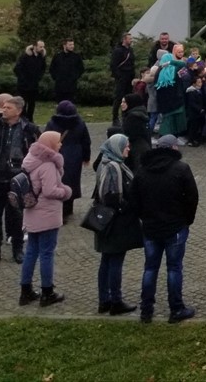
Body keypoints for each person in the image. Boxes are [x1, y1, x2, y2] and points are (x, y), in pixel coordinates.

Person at [127, 135, 198, 324]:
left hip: (150, 228)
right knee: (174, 268)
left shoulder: (142, 171)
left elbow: (134, 200)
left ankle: (146, 310)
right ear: (174, 148)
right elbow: (192, 198)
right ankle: (176, 309)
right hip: (175, 227)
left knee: (150, 268)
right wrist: (186, 221)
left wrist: (144, 218)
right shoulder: (181, 169)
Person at [0, 95, 39, 267]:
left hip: (16, 179)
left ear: (19, 111)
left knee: (16, 217)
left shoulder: (29, 129)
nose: (4, 110)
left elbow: (37, 150)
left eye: (8, 108)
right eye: (3, 107)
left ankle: (17, 249)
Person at [91, 133, 144, 315]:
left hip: (107, 222)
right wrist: (130, 207)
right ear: (117, 148)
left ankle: (104, 300)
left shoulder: (107, 162)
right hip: (115, 223)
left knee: (106, 261)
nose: (129, 148)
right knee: (114, 261)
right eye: (126, 146)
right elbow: (112, 197)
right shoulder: (114, 167)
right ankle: (115, 300)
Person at [18, 129, 71, 307]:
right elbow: (49, 191)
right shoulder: (47, 164)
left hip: (32, 212)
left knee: (31, 251)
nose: (60, 144)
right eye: (58, 141)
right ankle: (47, 292)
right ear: (50, 144)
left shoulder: (30, 160)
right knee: (46, 253)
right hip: (46, 215)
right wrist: (66, 191)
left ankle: (25, 291)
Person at [44, 100, 90, 222]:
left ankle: (61, 211)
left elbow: (45, 139)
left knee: (59, 181)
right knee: (73, 181)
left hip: (58, 153)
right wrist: (86, 157)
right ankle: (69, 208)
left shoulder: (52, 123)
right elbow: (86, 141)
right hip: (75, 154)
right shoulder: (80, 123)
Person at [13, 41, 47, 122]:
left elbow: (43, 69)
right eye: (40, 46)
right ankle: (22, 119)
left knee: (32, 104)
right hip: (23, 85)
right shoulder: (25, 56)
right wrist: (23, 79)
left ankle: (30, 120)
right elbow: (17, 69)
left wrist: (38, 78)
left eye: (43, 47)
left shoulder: (41, 57)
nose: (42, 49)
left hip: (34, 85)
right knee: (23, 103)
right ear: (35, 46)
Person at [110, 33, 137, 125]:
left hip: (129, 77)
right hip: (121, 77)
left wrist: (133, 76)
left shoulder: (130, 50)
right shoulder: (118, 51)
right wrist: (119, 76)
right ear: (124, 40)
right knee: (118, 98)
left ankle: (126, 115)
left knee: (128, 97)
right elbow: (113, 65)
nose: (131, 40)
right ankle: (115, 117)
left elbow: (132, 63)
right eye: (129, 39)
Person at [120, 93, 151, 173]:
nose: (122, 104)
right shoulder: (139, 114)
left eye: (124, 102)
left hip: (136, 149)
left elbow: (128, 134)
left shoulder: (132, 117)